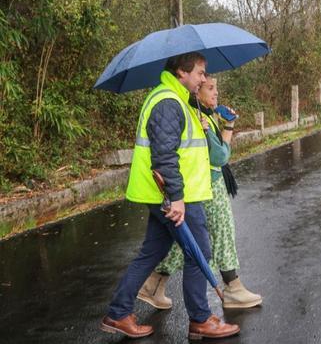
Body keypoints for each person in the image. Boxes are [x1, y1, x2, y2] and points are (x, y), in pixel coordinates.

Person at [100, 52, 240, 339]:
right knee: (198, 253)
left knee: (152, 251)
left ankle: (118, 313)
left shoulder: (178, 100)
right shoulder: (167, 102)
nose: (203, 78)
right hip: (176, 196)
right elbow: (164, 156)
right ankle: (201, 319)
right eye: (200, 72)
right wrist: (176, 199)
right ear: (181, 72)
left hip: (167, 194)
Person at [137, 75, 262, 310]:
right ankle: (232, 288)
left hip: (202, 182)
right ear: (196, 91)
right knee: (222, 232)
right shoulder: (196, 116)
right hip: (205, 184)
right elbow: (220, 156)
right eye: (210, 88)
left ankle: (154, 283)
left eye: (216, 88)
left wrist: (227, 124)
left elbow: (222, 152)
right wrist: (225, 128)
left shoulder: (206, 115)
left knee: (183, 240)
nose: (216, 93)